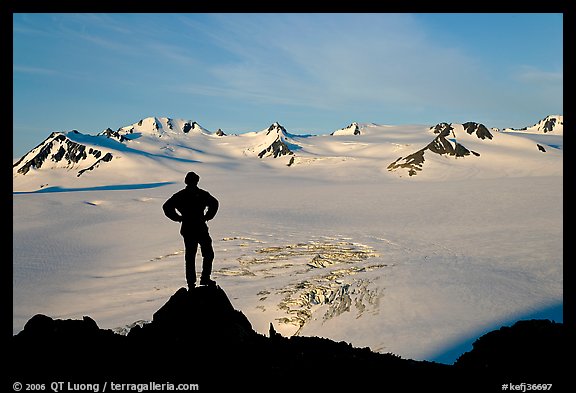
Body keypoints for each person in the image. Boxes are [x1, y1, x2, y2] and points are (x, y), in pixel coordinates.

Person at [163, 171, 219, 288]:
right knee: (207, 254)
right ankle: (204, 279)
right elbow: (214, 203)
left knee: (190, 256)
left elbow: (166, 207)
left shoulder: (180, 195)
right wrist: (207, 216)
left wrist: (179, 218)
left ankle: (192, 283)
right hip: (200, 227)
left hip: (188, 228)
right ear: (196, 181)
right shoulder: (202, 194)